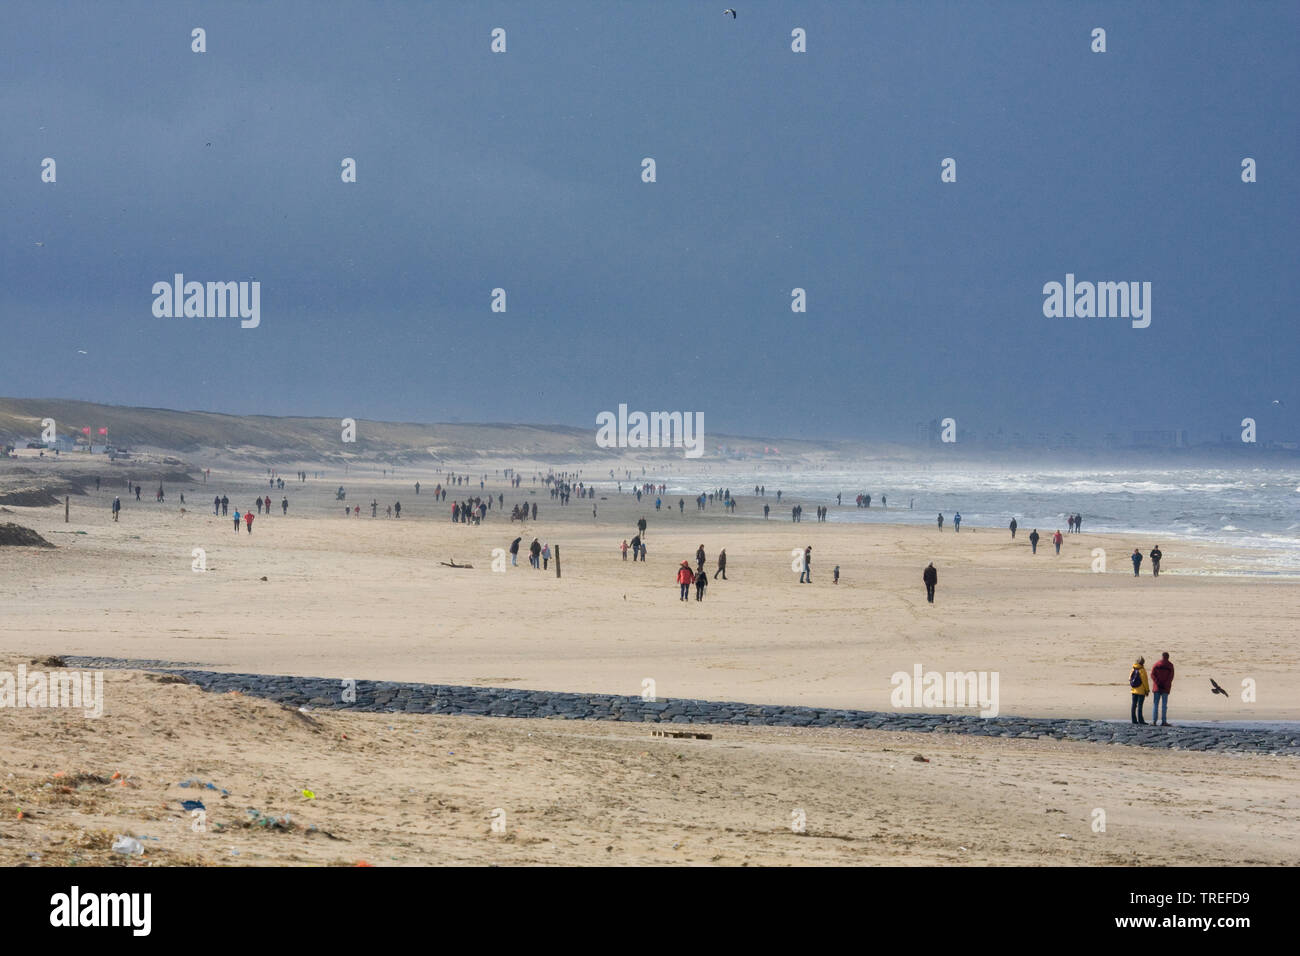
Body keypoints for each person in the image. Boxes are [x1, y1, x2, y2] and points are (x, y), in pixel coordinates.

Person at [1129, 657, 1150, 724]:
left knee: (1133, 705)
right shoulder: (1142, 670)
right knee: (1140, 706)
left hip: (1134, 690)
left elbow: (1130, 678)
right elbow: (1145, 681)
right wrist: (1147, 690)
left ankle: (1134, 720)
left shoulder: (1133, 669)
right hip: (1141, 691)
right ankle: (1141, 720)